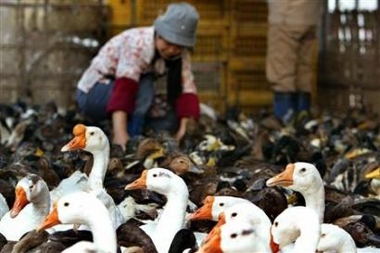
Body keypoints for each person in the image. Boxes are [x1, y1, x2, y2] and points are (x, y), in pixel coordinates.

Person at [76, 2, 200, 149]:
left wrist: (183, 132)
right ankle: (128, 138)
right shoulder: (138, 43)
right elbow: (125, 88)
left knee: (171, 117)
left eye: (178, 46)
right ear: (159, 33)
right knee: (146, 88)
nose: (172, 50)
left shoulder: (181, 55)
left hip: (128, 94)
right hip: (94, 93)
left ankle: (128, 130)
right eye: (168, 42)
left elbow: (187, 90)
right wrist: (120, 134)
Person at [266, 0, 323, 124]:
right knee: (304, 68)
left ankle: (285, 117)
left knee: (281, 69)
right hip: (310, 16)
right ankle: (303, 115)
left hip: (286, 15)